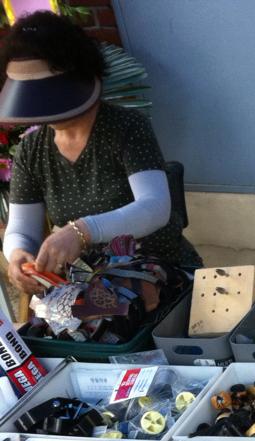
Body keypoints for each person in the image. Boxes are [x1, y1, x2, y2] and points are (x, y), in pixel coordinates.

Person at [0, 11, 201, 296]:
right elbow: (22, 229)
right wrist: (18, 255)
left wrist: (82, 231)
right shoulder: (32, 149)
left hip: (159, 275)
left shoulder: (126, 127)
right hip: (90, 288)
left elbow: (155, 207)